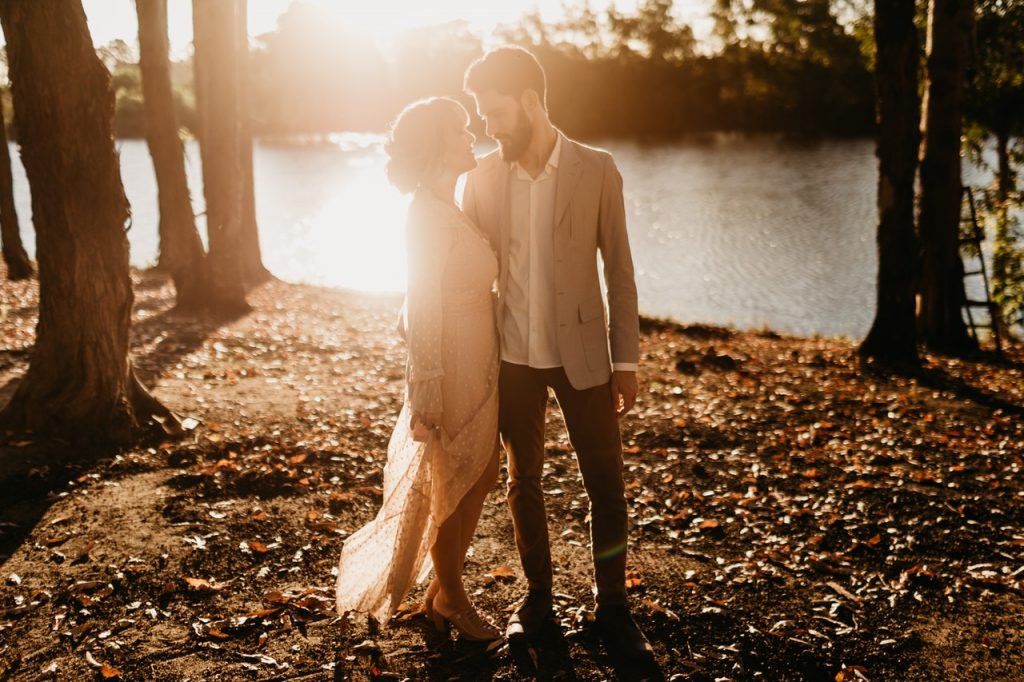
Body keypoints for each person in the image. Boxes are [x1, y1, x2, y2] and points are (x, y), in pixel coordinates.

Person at [461, 46, 653, 660]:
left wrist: (626, 360)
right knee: (524, 485)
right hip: (511, 359)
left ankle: (613, 608)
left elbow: (619, 270)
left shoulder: (598, 169)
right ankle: (537, 600)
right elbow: (469, 280)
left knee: (606, 485)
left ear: (531, 102)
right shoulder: (483, 180)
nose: (488, 126)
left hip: (587, 358)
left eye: (495, 113)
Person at [335, 97, 502, 642]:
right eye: (459, 130)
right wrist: (426, 385)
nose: (470, 133)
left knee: (477, 473)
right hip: (450, 365)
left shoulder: (446, 204)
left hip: (479, 359)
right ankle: (452, 598)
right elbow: (423, 301)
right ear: (435, 145)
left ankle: (440, 592)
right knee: (452, 478)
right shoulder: (427, 214)